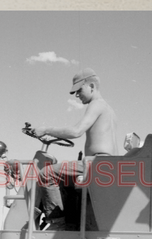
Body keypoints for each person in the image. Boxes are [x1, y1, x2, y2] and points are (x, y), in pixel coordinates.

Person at [30, 68, 118, 229]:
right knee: (66, 183)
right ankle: (71, 222)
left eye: (79, 90)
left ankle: (57, 223)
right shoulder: (109, 109)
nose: (77, 95)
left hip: (96, 163)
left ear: (91, 86)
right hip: (105, 164)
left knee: (46, 173)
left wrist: (46, 129)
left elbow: (76, 131)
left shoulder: (96, 104)